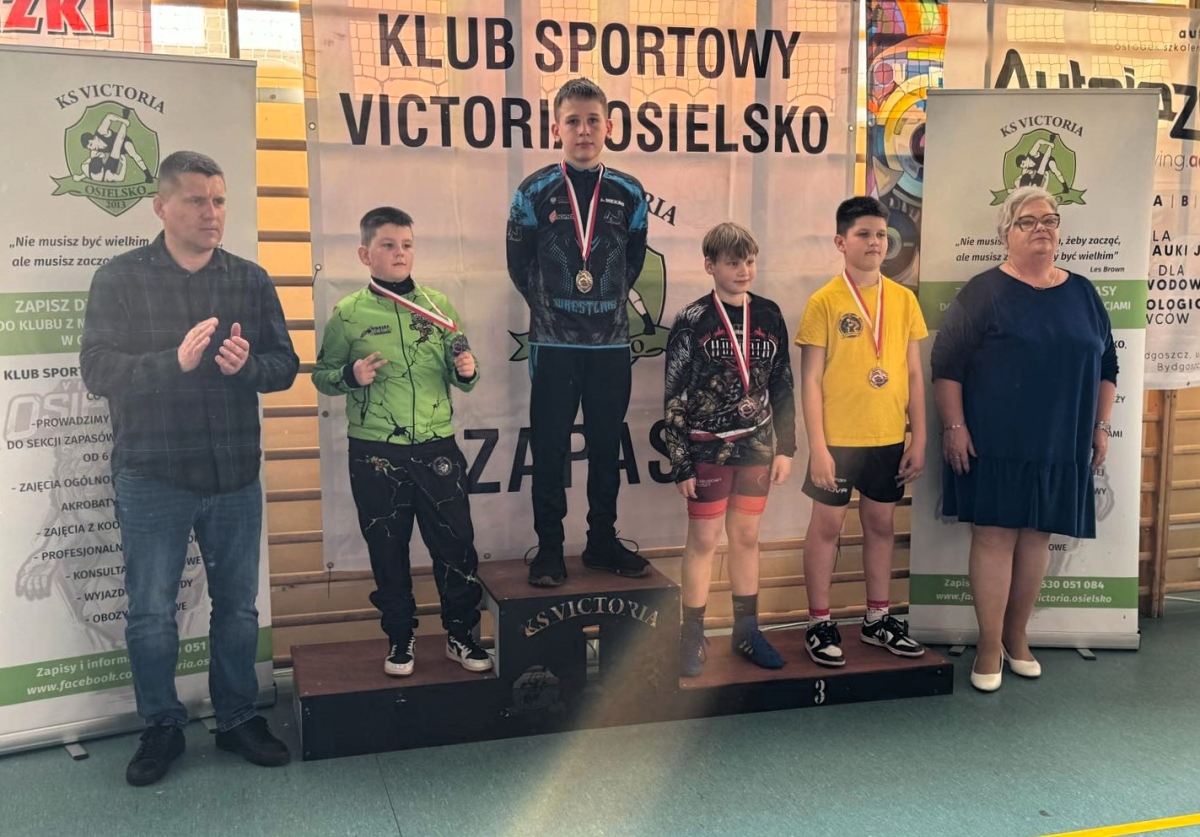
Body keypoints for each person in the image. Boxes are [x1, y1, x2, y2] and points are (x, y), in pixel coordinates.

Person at [80, 150, 299, 786]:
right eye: (197, 200)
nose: (212, 213)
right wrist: (170, 364)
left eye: (219, 200)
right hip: (153, 476)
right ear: (161, 206)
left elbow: (284, 366)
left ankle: (236, 719)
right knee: (151, 612)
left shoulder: (250, 280)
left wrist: (248, 368)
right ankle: (161, 726)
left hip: (234, 476)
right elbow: (96, 369)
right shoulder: (118, 279)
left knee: (237, 609)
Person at [931, 186, 1117, 692]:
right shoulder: (983, 291)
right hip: (994, 440)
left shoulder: (1084, 292)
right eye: (1028, 221)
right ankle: (989, 646)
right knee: (994, 537)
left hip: (1061, 441)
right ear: (1006, 233)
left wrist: (1100, 426)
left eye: (1049, 220)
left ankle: (1017, 637)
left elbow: (1107, 364)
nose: (1041, 228)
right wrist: (954, 426)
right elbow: (946, 365)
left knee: (1038, 537)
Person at [312, 206, 492, 679]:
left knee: (456, 546)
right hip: (375, 452)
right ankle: (399, 637)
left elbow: (464, 368)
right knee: (387, 549)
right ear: (365, 254)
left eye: (406, 245)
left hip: (436, 448)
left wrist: (467, 370)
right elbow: (322, 376)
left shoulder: (438, 306)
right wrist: (351, 375)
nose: (399, 253)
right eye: (388, 245)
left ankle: (461, 633)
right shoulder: (348, 313)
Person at [506, 77, 651, 587]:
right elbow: (518, 264)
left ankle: (601, 542)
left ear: (609, 126)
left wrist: (602, 304)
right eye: (573, 121)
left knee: (606, 448)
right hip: (554, 345)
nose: (583, 130)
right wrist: (555, 309)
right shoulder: (533, 190)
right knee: (549, 449)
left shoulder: (630, 192)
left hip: (610, 344)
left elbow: (632, 262)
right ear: (556, 129)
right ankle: (549, 548)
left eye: (592, 120)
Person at [796, 196, 928, 668]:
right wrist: (818, 448)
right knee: (826, 528)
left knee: (881, 526)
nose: (875, 242)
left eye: (880, 235)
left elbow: (915, 375)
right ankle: (818, 622)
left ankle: (877, 619)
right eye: (863, 234)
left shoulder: (904, 300)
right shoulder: (824, 302)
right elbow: (810, 380)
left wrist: (919, 437)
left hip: (887, 437)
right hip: (837, 441)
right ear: (840, 242)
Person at [664, 222, 795, 676]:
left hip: (756, 446)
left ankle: (747, 631)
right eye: (733, 262)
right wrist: (680, 461)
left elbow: (782, 383)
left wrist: (786, 446)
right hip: (707, 449)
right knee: (704, 540)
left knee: (746, 537)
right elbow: (674, 394)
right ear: (710, 266)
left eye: (750, 261)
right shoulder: (691, 319)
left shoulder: (770, 315)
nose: (744, 270)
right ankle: (691, 634)